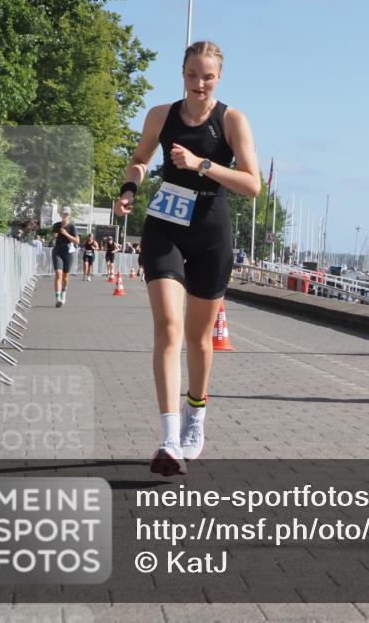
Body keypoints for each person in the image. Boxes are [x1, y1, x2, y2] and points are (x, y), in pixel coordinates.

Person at [114, 40, 260, 476]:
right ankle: (169, 438)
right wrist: (129, 188)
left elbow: (252, 185)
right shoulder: (161, 115)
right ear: (182, 73)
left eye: (208, 76)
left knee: (198, 339)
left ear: (219, 78)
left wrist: (202, 165)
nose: (199, 83)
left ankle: (196, 413)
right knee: (168, 327)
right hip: (165, 228)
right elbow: (139, 159)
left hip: (211, 234)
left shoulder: (231, 119)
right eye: (193, 74)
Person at [51, 207, 80, 307]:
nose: (65, 215)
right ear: (61, 214)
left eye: (67, 214)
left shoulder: (72, 227)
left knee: (65, 277)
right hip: (57, 250)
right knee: (58, 274)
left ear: (69, 215)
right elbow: (54, 235)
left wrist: (66, 233)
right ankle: (57, 298)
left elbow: (77, 241)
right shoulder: (56, 225)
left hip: (68, 251)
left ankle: (64, 292)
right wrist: (55, 235)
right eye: (64, 213)